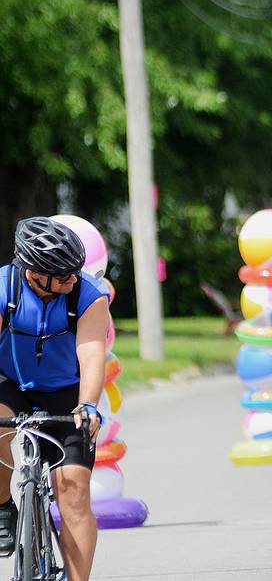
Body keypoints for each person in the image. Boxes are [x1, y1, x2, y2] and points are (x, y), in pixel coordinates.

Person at [0, 217, 107, 581]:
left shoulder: (88, 295)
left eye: (74, 272)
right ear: (33, 273)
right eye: (63, 276)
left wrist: (88, 404)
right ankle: (2, 506)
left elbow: (92, 354)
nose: (73, 279)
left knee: (74, 491)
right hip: (9, 384)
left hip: (66, 392)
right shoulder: (3, 289)